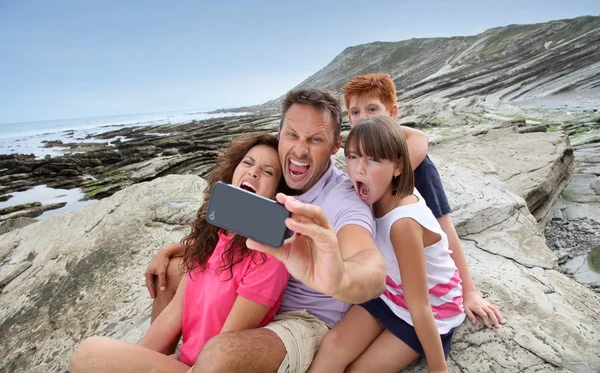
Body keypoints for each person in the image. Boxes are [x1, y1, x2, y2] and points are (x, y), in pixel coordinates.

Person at [146, 88, 428, 373]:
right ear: (279, 133)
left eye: (315, 139)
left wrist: (339, 280)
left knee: (223, 351)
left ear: (335, 145)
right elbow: (228, 234)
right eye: (292, 135)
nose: (300, 150)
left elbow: (369, 265)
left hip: (301, 318)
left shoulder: (344, 201)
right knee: (170, 273)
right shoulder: (274, 175)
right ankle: (164, 360)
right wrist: (180, 248)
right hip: (258, 294)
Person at [69, 133, 290, 373]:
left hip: (207, 367)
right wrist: (133, 360)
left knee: (88, 354)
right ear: (234, 169)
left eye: (268, 172)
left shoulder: (269, 257)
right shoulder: (211, 235)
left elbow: (225, 346)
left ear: (276, 192)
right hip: (184, 362)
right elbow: (176, 311)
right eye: (247, 163)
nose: (254, 172)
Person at [342, 73, 504, 329]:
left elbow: (445, 227)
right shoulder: (358, 164)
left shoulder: (417, 168)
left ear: (392, 112)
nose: (362, 118)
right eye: (355, 112)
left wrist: (469, 292)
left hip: (420, 293)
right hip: (385, 285)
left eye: (372, 109)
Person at [310, 116, 465, 372]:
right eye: (352, 157)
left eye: (373, 160)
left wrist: (438, 368)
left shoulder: (402, 224)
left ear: (398, 167)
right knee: (331, 348)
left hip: (430, 310)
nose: (359, 169)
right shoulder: (372, 193)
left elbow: (420, 305)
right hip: (389, 293)